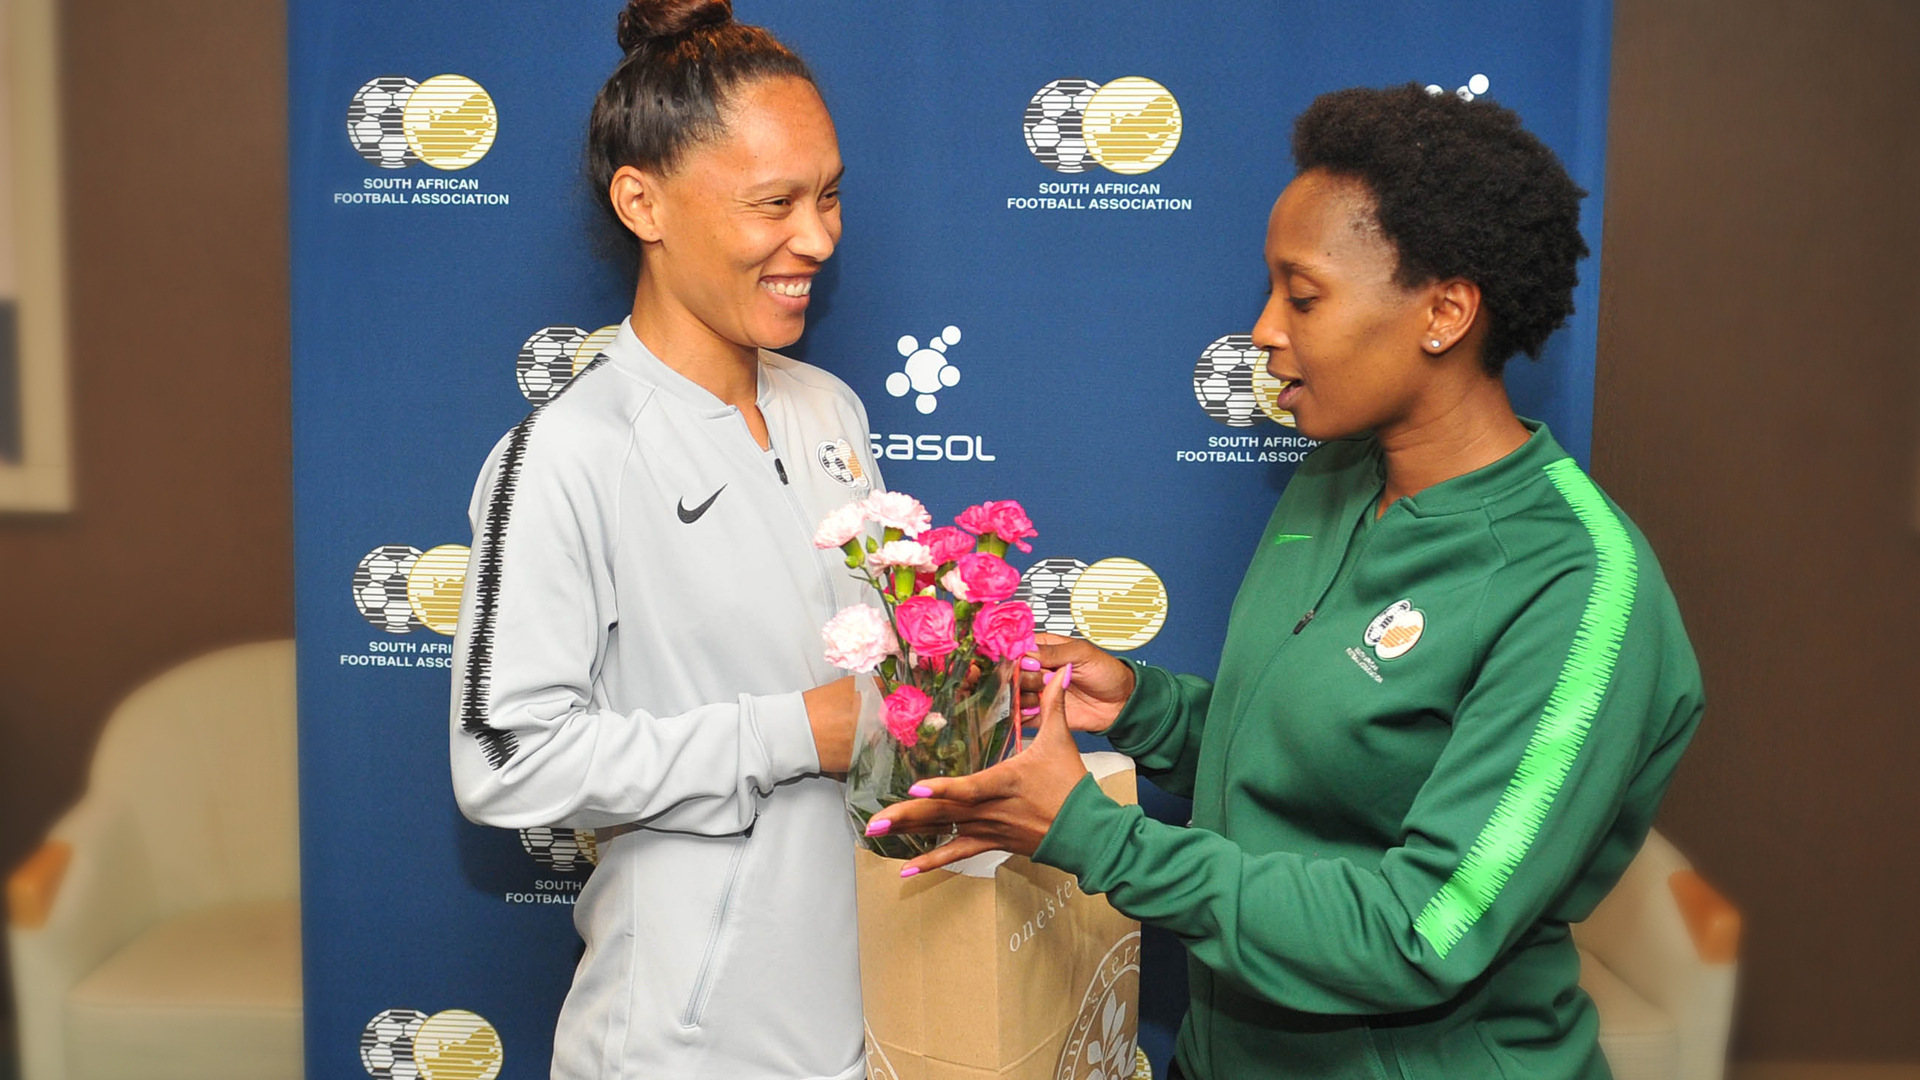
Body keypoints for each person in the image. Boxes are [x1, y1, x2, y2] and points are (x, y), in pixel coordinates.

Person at [871, 84, 1705, 1080]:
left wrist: (1098, 837)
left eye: (1301, 295)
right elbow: (1324, 760)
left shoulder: (1578, 586)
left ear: (1445, 311)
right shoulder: (1335, 478)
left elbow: (1421, 933)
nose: (1263, 330)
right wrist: (1145, 708)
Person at [447, 2, 876, 1077]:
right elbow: (504, 759)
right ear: (642, 199)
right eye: (773, 203)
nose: (816, 237)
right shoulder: (568, 454)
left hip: (867, 1013)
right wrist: (793, 732)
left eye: (827, 197)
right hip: (685, 1048)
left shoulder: (830, 409)